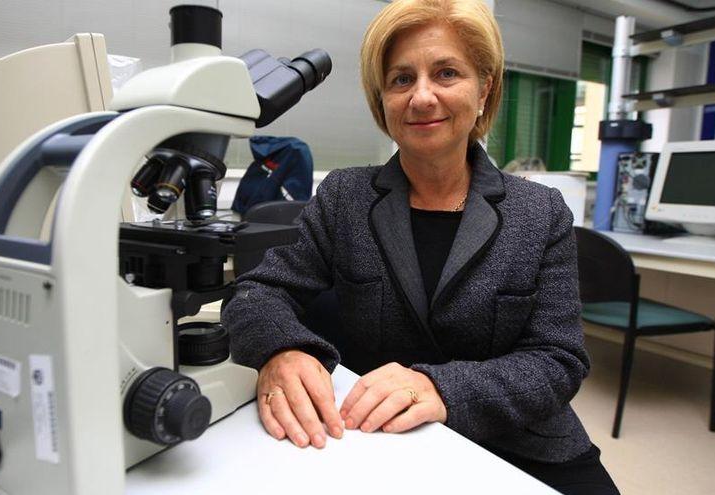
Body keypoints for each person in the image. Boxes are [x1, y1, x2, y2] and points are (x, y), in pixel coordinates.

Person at [221, 0, 619, 493]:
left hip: (516, 438)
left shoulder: (540, 212)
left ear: (484, 89)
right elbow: (257, 292)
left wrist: (444, 387)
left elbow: (559, 358)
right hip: (380, 436)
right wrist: (281, 349)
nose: (422, 97)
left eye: (447, 73)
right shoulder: (345, 197)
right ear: (381, 99)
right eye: (401, 79)